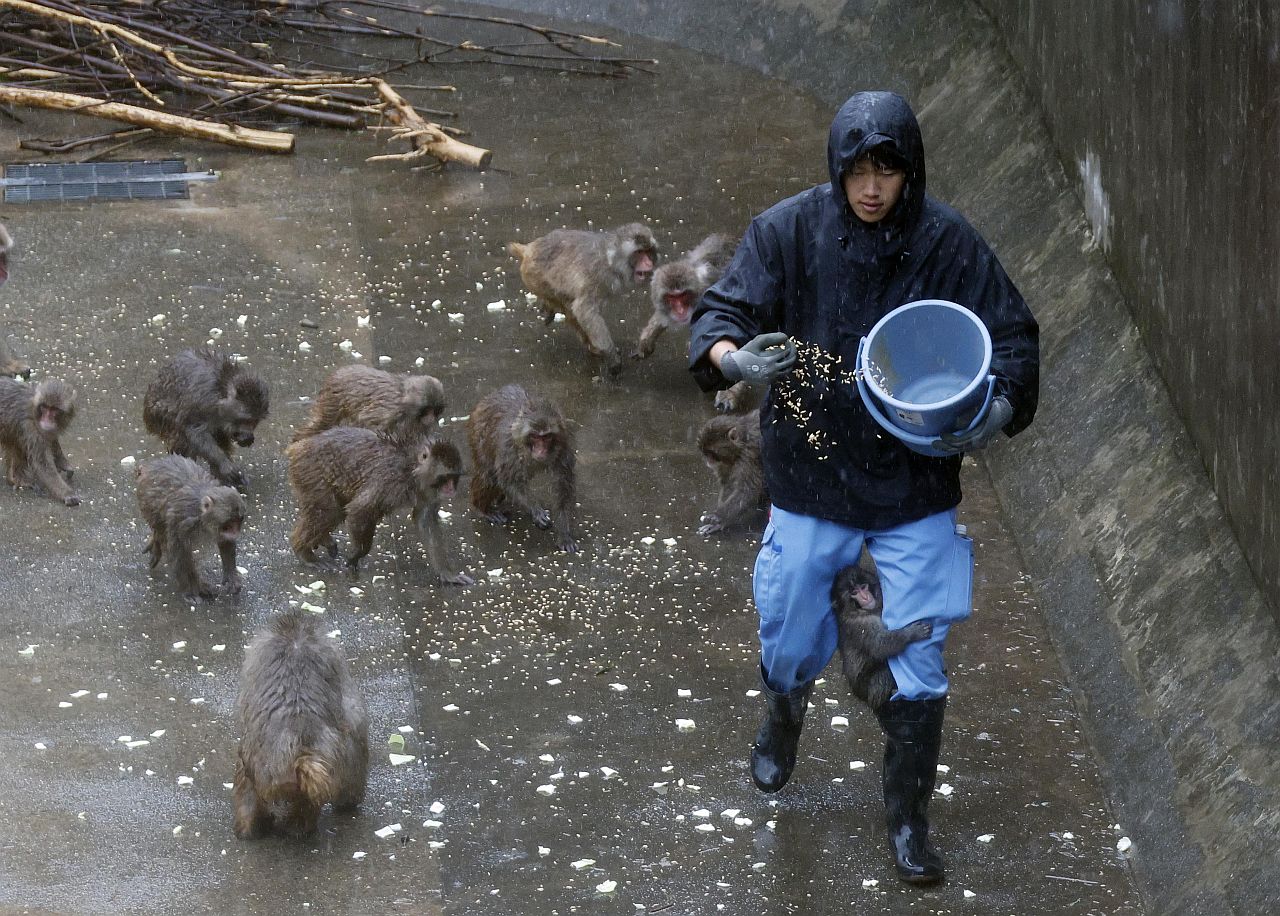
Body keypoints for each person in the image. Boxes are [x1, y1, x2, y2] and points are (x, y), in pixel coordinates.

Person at [688, 90, 1039, 884]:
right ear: (837, 171)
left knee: (919, 654)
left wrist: (999, 410)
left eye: (888, 170)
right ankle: (784, 711)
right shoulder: (788, 231)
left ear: (910, 173)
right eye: (858, 171)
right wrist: (734, 362)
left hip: (915, 486)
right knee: (787, 628)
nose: (873, 187)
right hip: (810, 480)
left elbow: (1014, 336)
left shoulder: (948, 242)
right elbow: (718, 312)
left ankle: (909, 820)